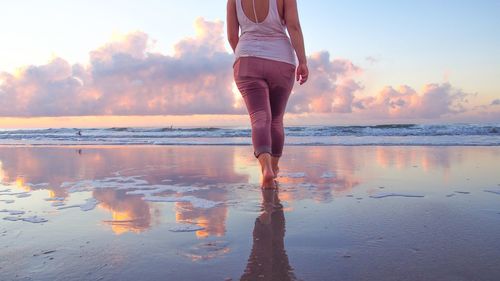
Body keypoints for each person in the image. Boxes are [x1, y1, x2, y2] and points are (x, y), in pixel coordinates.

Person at [227, 0, 309, 189]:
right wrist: (303, 61)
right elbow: (293, 26)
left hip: (247, 59)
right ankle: (274, 167)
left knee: (259, 118)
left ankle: (265, 170)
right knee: (276, 119)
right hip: (281, 59)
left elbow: (232, 36)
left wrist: (245, 53)